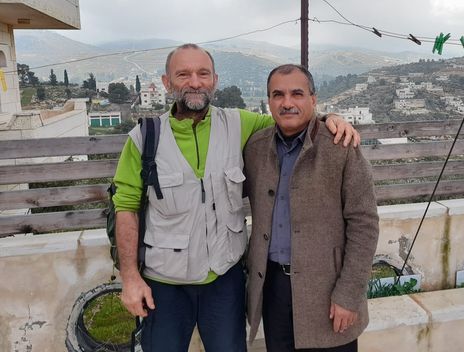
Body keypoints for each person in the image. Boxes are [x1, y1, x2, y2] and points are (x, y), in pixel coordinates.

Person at [112, 44, 359, 352]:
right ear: (166, 82)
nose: (195, 82)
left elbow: (293, 117)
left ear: (214, 80)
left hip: (224, 280)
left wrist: (331, 117)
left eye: (203, 74)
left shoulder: (240, 124)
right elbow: (126, 208)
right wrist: (130, 278)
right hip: (164, 283)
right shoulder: (143, 138)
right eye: (183, 74)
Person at [244, 64, 379, 352]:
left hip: (328, 290)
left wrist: (348, 295)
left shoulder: (340, 146)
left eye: (297, 93)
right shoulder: (255, 148)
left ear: (313, 100)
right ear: (268, 101)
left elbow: (364, 224)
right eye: (278, 95)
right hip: (273, 289)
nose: (287, 102)